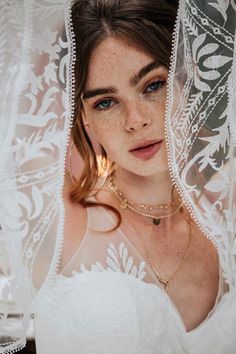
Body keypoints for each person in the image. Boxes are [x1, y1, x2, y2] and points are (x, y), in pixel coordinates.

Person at [1, 0, 236, 353]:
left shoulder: (225, 216)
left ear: (188, 80)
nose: (135, 120)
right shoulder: (59, 219)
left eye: (153, 85)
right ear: (82, 116)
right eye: (105, 102)